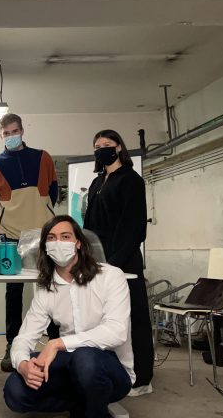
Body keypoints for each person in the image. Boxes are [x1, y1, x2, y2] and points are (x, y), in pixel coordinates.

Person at [3, 215, 134, 418]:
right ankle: (81, 403)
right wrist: (23, 365)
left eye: (65, 236)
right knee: (15, 390)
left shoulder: (110, 276)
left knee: (85, 359)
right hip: (71, 363)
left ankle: (95, 412)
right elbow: (24, 338)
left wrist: (56, 344)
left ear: (78, 243)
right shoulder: (47, 289)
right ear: (45, 247)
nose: (59, 243)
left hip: (111, 367)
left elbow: (116, 331)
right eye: (52, 238)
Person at [0, 113, 58, 371]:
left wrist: (44, 217)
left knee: (51, 287)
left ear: (22, 131)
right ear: (0, 135)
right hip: (10, 235)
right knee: (13, 293)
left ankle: (56, 342)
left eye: (14, 131)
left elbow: (54, 190)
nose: (11, 136)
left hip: (43, 234)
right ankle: (12, 344)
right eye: (6, 133)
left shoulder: (43, 157)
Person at [83, 129, 154, 396]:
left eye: (107, 144)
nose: (101, 149)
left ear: (119, 148)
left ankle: (143, 379)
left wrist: (114, 264)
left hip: (124, 262)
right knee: (104, 320)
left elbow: (134, 229)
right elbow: (89, 225)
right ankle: (114, 372)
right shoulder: (97, 182)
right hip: (98, 262)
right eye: (97, 145)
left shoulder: (131, 180)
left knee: (134, 319)